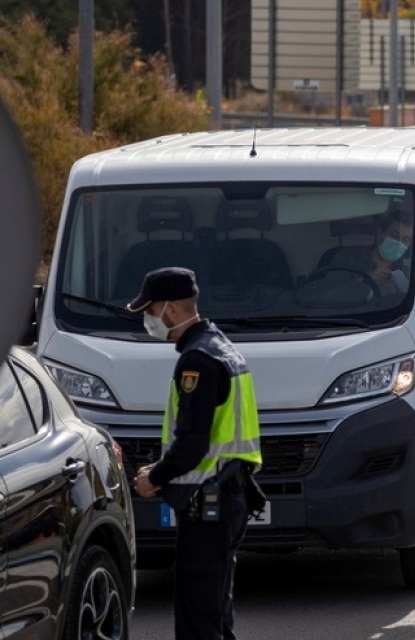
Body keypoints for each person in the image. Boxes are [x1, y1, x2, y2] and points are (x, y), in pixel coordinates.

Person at [128, 267, 263, 639]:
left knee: (197, 621)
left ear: (170, 309)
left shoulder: (197, 360)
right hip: (226, 493)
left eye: (149, 309)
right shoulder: (221, 346)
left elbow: (193, 443)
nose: (146, 318)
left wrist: (153, 478)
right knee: (215, 614)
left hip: (209, 503)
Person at [363, 212, 411, 292]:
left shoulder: (411, 272)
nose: (399, 243)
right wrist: (365, 282)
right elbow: (335, 295)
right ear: (380, 234)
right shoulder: (348, 258)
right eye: (394, 236)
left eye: (405, 240)